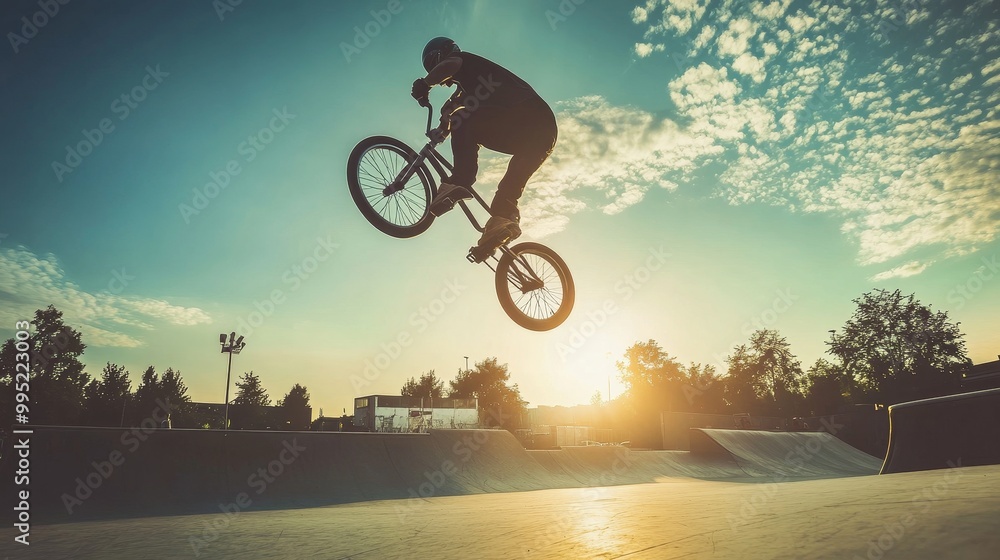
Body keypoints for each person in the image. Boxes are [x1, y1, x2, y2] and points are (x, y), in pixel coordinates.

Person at [411, 37, 558, 249]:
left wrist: (425, 84)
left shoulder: (462, 60)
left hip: (530, 115)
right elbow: (450, 111)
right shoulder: (467, 91)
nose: (443, 81)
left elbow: (450, 66)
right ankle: (502, 222)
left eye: (434, 65)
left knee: (464, 119)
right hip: (541, 136)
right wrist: (443, 129)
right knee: (510, 185)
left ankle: (461, 179)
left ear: (442, 55)